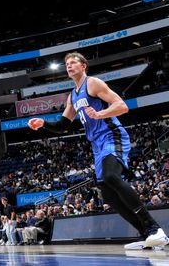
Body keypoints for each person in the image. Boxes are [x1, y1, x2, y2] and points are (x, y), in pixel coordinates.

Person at [28, 52, 168, 250]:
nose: (69, 65)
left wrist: (101, 113)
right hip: (97, 145)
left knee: (111, 176)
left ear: (84, 65)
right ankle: (146, 234)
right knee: (108, 196)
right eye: (66, 63)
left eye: (73, 62)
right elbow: (63, 126)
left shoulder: (92, 83)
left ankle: (155, 229)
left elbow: (122, 106)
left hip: (112, 135)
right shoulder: (72, 96)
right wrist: (43, 123)